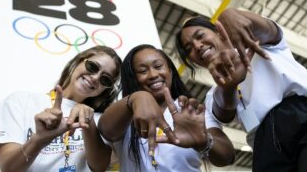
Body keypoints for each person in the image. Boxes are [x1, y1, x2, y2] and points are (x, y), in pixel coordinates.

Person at [175, 8, 307, 172]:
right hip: (265, 144)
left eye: (200, 35)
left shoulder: (256, 43)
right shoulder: (213, 94)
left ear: (218, 31)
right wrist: (229, 85)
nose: (197, 46)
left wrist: (229, 15)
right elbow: (224, 112)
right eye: (188, 48)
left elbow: (270, 30)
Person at [99, 44, 235, 172]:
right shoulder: (125, 113)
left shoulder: (190, 110)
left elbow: (227, 157)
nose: (153, 75)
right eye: (142, 71)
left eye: (158, 66)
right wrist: (136, 97)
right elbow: (106, 130)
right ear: (133, 79)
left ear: (170, 71)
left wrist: (204, 141)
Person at [0, 45, 122, 172]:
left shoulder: (101, 120)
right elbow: (9, 168)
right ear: (78, 62)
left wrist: (89, 124)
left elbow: (100, 167)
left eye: (105, 79)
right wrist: (38, 140)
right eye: (92, 67)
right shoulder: (20, 102)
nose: (95, 78)